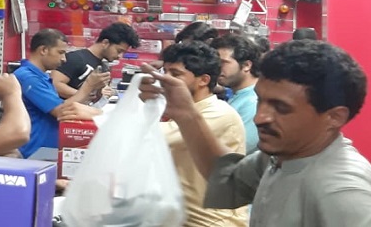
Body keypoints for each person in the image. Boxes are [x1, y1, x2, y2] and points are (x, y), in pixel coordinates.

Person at [141, 40, 371, 227]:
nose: (260, 117)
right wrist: (186, 114)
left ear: (334, 117)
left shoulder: (342, 191)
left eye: (281, 108)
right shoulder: (282, 155)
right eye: (261, 100)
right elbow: (229, 180)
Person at [158, 41, 249, 227]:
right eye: (164, 72)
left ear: (203, 80)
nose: (165, 79)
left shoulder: (219, 113)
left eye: (175, 74)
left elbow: (157, 136)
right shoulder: (180, 111)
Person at [15, 29, 104, 159]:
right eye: (60, 53)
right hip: (33, 153)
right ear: (44, 50)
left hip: (44, 152)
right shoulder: (28, 78)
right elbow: (62, 112)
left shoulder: (41, 77)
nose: (64, 59)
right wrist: (88, 86)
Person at [51, 21, 141, 100]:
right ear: (105, 43)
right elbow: (55, 84)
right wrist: (87, 95)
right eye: (119, 51)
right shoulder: (76, 58)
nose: (119, 56)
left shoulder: (103, 67)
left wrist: (102, 93)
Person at [213, 34, 262, 154]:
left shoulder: (253, 101)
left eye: (223, 63)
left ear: (246, 66)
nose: (217, 68)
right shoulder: (239, 95)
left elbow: (239, 151)